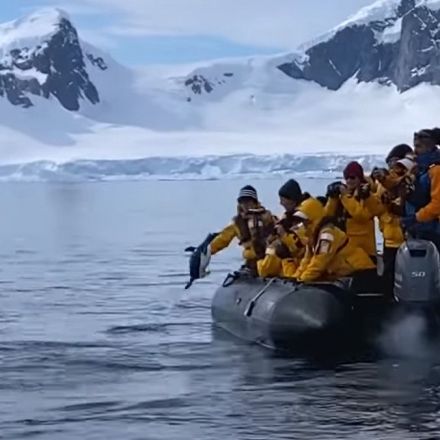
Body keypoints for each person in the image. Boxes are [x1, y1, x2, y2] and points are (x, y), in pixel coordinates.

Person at [292, 197, 376, 283]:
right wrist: (294, 279)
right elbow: (306, 261)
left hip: (360, 272)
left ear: (313, 217)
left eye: (304, 220)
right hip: (346, 275)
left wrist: (302, 280)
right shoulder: (313, 237)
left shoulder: (327, 234)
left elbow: (319, 263)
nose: (301, 223)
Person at [372, 148, 416, 295]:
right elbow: (378, 205)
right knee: (388, 274)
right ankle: (388, 300)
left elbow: (402, 206)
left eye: (395, 161)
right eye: (390, 162)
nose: (392, 165)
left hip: (405, 235)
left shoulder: (407, 181)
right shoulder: (381, 183)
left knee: (407, 272)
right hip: (389, 235)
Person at [210, 185, 275, 273]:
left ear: (255, 202)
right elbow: (223, 239)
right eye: (242, 202)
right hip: (251, 262)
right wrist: (208, 251)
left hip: (268, 260)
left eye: (248, 201)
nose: (245, 205)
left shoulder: (267, 217)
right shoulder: (237, 222)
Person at [325, 161, 381, 259]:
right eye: (347, 178)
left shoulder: (366, 195)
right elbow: (327, 216)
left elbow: (361, 215)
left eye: (352, 177)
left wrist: (346, 196)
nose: (349, 180)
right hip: (346, 248)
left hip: (365, 250)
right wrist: (332, 198)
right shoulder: (342, 196)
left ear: (359, 178)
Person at [258, 179, 308, 278]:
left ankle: (262, 267)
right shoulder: (287, 218)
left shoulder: (303, 219)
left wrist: (283, 235)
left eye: (283, 199)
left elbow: (300, 244)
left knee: (274, 251)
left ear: (292, 200)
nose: (281, 203)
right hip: (287, 262)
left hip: (297, 261)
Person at [402, 128, 440, 248]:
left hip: (433, 230)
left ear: (428, 147)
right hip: (422, 228)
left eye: (418, 146)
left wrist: (416, 218)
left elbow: (437, 203)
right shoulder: (422, 169)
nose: (415, 151)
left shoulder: (436, 170)